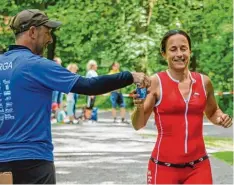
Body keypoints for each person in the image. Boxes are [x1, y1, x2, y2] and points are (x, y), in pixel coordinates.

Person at [0, 9, 150, 184]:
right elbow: (89, 86)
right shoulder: (36, 65)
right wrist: (130, 76)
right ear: (33, 32)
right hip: (33, 161)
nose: (50, 39)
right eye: (47, 33)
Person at [131, 30, 233, 184]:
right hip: (163, 168)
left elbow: (212, 112)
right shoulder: (155, 82)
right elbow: (138, 124)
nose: (179, 54)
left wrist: (221, 118)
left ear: (190, 51)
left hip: (198, 167)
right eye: (173, 49)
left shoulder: (204, 82)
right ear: (164, 54)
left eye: (183, 48)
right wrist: (138, 107)